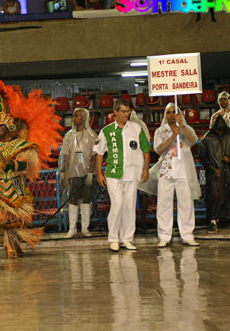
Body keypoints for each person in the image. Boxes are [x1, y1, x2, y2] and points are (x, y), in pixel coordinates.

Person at [0, 77, 62, 258]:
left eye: (2, 126)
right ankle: (10, 246)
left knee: (15, 219)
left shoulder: (20, 143)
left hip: (15, 185)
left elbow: (27, 165)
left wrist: (11, 164)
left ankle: (14, 245)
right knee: (3, 219)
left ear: (9, 127)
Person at [94, 99, 150, 252]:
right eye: (124, 111)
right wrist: (99, 173)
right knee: (117, 204)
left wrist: (145, 170)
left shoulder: (137, 128)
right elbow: (99, 153)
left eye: (128, 111)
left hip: (133, 173)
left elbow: (146, 149)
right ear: (115, 113)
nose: (126, 114)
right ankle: (113, 238)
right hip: (113, 173)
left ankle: (127, 239)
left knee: (129, 206)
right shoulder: (106, 131)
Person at [141, 104, 201, 247]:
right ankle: (164, 236)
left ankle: (187, 235)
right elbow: (158, 150)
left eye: (174, 112)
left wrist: (182, 127)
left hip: (183, 172)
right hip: (166, 172)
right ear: (165, 115)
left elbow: (193, 140)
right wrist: (173, 135)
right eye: (168, 112)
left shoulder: (185, 128)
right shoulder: (160, 131)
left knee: (186, 204)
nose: (172, 115)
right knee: (164, 205)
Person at [198, 115, 230, 231]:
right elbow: (202, 155)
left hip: (229, 171)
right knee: (214, 196)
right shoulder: (208, 138)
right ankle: (213, 220)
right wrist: (212, 168)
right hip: (214, 172)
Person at [59, 108, 97, 238]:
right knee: (72, 199)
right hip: (73, 172)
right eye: (74, 116)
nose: (74, 119)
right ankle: (72, 228)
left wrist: (91, 172)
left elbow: (94, 155)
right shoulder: (69, 135)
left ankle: (85, 228)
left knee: (87, 199)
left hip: (87, 172)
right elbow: (64, 154)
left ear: (84, 118)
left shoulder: (91, 135)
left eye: (77, 116)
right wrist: (63, 171)